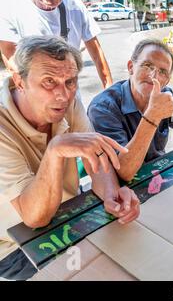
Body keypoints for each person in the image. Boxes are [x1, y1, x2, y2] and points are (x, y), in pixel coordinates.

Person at [0, 36, 140, 280]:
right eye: (49, 82)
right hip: (14, 247)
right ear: (19, 81)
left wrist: (111, 195)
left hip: (69, 219)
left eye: (70, 81)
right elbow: (34, 217)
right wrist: (56, 150)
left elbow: (96, 156)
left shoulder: (69, 102)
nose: (63, 95)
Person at [87, 39, 173, 182]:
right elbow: (124, 172)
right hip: (120, 190)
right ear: (131, 67)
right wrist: (152, 116)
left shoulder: (165, 97)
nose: (154, 76)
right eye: (147, 65)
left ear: (167, 80)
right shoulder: (103, 108)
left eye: (162, 71)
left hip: (158, 176)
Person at [0, 0, 113, 89]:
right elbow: (12, 61)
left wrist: (110, 92)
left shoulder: (76, 7)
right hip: (31, 95)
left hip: (69, 92)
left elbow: (97, 53)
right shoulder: (8, 6)